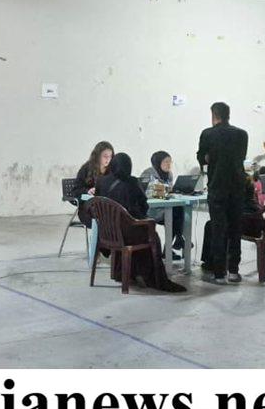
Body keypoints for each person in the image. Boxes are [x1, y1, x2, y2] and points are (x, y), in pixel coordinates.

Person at [99, 154, 186, 293]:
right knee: (151, 235)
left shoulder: (101, 182)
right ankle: (154, 278)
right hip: (127, 234)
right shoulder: (132, 182)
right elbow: (144, 207)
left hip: (108, 233)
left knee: (139, 229)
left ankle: (125, 272)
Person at [197, 102, 249, 285]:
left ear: (214, 115)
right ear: (228, 115)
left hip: (217, 187)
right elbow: (241, 157)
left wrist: (210, 158)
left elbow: (202, 158)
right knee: (235, 229)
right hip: (237, 188)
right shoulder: (242, 134)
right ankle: (234, 271)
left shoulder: (208, 134)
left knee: (218, 230)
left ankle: (219, 273)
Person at [138, 151, 185, 254]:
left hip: (166, 208)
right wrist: (166, 192)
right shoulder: (148, 173)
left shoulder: (169, 174)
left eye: (170, 162)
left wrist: (170, 192)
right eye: (166, 162)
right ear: (158, 162)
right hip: (152, 210)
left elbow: (167, 191)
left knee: (178, 209)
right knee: (175, 214)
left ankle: (172, 246)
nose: (169, 164)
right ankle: (177, 241)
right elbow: (147, 191)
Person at [72, 141, 114, 227]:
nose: (108, 159)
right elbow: (75, 191)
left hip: (107, 207)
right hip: (88, 209)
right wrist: (87, 191)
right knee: (103, 219)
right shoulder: (86, 169)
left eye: (110, 156)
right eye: (105, 156)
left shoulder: (112, 169)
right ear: (98, 156)